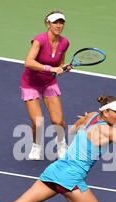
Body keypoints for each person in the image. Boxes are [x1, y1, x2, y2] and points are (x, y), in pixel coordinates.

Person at [21, 10, 72, 160]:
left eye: (61, 22)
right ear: (47, 24)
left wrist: (64, 68)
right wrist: (50, 69)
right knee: (38, 121)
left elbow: (60, 64)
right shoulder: (39, 40)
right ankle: (36, 146)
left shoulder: (65, 43)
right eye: (55, 22)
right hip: (31, 84)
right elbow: (28, 62)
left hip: (49, 83)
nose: (58, 25)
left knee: (57, 121)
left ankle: (62, 144)